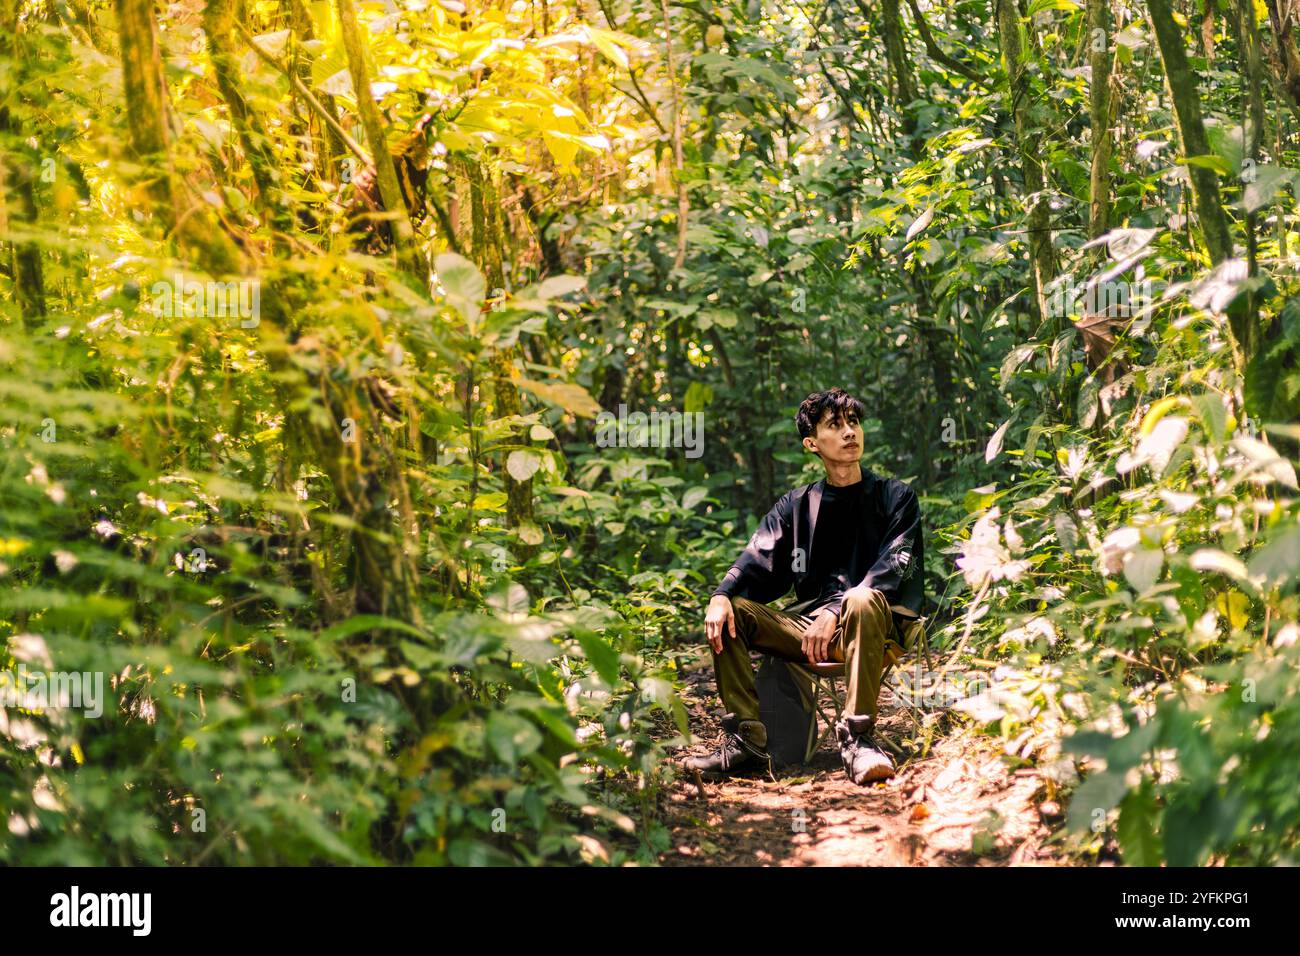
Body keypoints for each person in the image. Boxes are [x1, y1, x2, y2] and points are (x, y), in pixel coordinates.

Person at [686, 387, 924, 785]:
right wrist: (721, 594)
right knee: (732, 612)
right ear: (812, 443)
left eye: (854, 422)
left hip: (872, 627)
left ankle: (858, 738)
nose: (850, 432)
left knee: (862, 598)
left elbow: (895, 567)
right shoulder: (797, 506)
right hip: (808, 631)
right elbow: (756, 560)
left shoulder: (895, 497)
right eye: (836, 425)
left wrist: (836, 610)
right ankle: (746, 739)